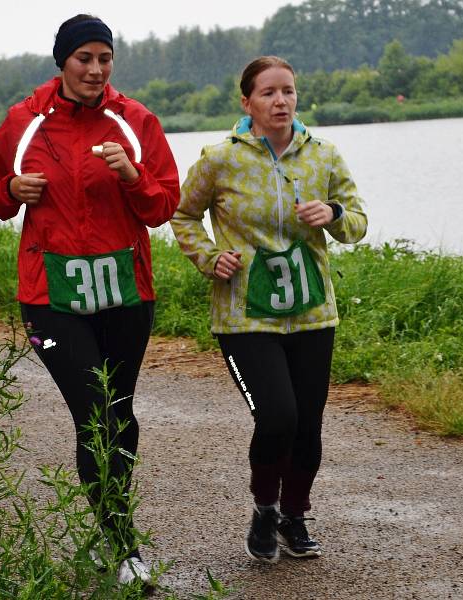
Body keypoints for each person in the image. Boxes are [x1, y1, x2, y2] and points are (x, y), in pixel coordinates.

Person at [0, 14, 179, 586]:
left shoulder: (136, 121)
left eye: (104, 58)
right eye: (83, 58)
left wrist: (134, 177)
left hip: (124, 292)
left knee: (121, 415)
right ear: (62, 61)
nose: (94, 69)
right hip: (50, 296)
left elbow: (164, 205)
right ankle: (122, 544)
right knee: (93, 409)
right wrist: (11, 190)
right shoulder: (25, 122)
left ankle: (105, 524)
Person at [171, 56, 367, 564]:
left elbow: (358, 223)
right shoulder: (220, 159)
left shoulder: (323, 155)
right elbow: (183, 213)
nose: (281, 102)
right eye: (269, 93)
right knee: (277, 416)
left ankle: (294, 516)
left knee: (307, 425)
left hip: (312, 313)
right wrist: (209, 257)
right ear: (247, 103)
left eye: (289, 92)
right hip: (244, 316)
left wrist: (334, 213)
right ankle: (264, 508)